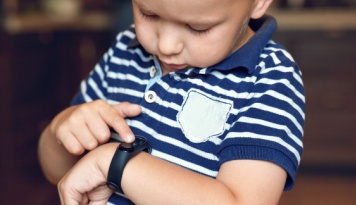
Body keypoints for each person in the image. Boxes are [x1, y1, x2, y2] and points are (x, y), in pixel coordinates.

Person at [38, 0, 305, 204]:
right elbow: (57, 171)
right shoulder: (124, 51)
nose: (166, 46)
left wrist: (115, 164)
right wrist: (60, 127)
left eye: (198, 27)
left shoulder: (271, 78)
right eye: (148, 13)